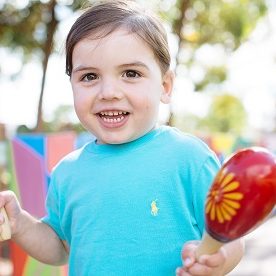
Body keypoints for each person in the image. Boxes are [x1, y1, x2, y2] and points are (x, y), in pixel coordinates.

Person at [0, 1, 244, 275]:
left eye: (131, 73)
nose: (109, 92)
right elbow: (60, 247)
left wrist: (218, 261)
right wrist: (20, 223)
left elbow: (229, 235)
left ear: (165, 86)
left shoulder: (190, 158)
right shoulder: (67, 172)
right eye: (89, 76)